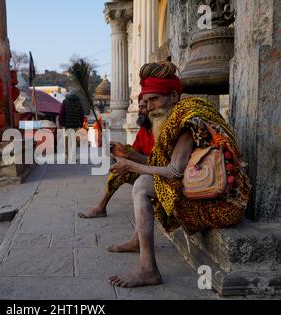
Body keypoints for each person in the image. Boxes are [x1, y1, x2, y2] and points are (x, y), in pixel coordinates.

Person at [107, 61, 250, 288]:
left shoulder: (186, 119)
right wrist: (132, 157)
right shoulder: (175, 116)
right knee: (143, 178)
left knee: (143, 184)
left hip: (224, 203)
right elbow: (164, 164)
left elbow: (173, 172)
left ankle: (148, 268)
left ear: (173, 96)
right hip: (206, 187)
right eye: (146, 101)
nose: (150, 106)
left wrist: (132, 166)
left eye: (154, 99)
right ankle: (138, 241)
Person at [79, 97, 154, 221]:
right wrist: (119, 151)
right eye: (139, 107)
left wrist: (129, 156)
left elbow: (160, 163)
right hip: (144, 169)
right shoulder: (143, 130)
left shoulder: (160, 130)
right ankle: (100, 207)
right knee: (119, 170)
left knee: (125, 169)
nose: (140, 111)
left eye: (143, 107)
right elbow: (134, 150)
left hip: (158, 173)